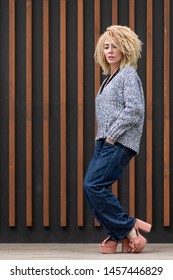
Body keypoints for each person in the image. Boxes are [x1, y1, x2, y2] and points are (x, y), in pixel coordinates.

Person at [83, 25, 152, 253]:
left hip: (119, 142)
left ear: (125, 48)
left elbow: (135, 109)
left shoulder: (128, 74)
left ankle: (128, 226)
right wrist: (104, 138)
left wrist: (112, 135)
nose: (110, 51)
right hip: (104, 141)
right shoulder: (108, 79)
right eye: (106, 46)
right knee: (92, 187)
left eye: (115, 46)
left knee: (94, 185)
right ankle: (119, 235)